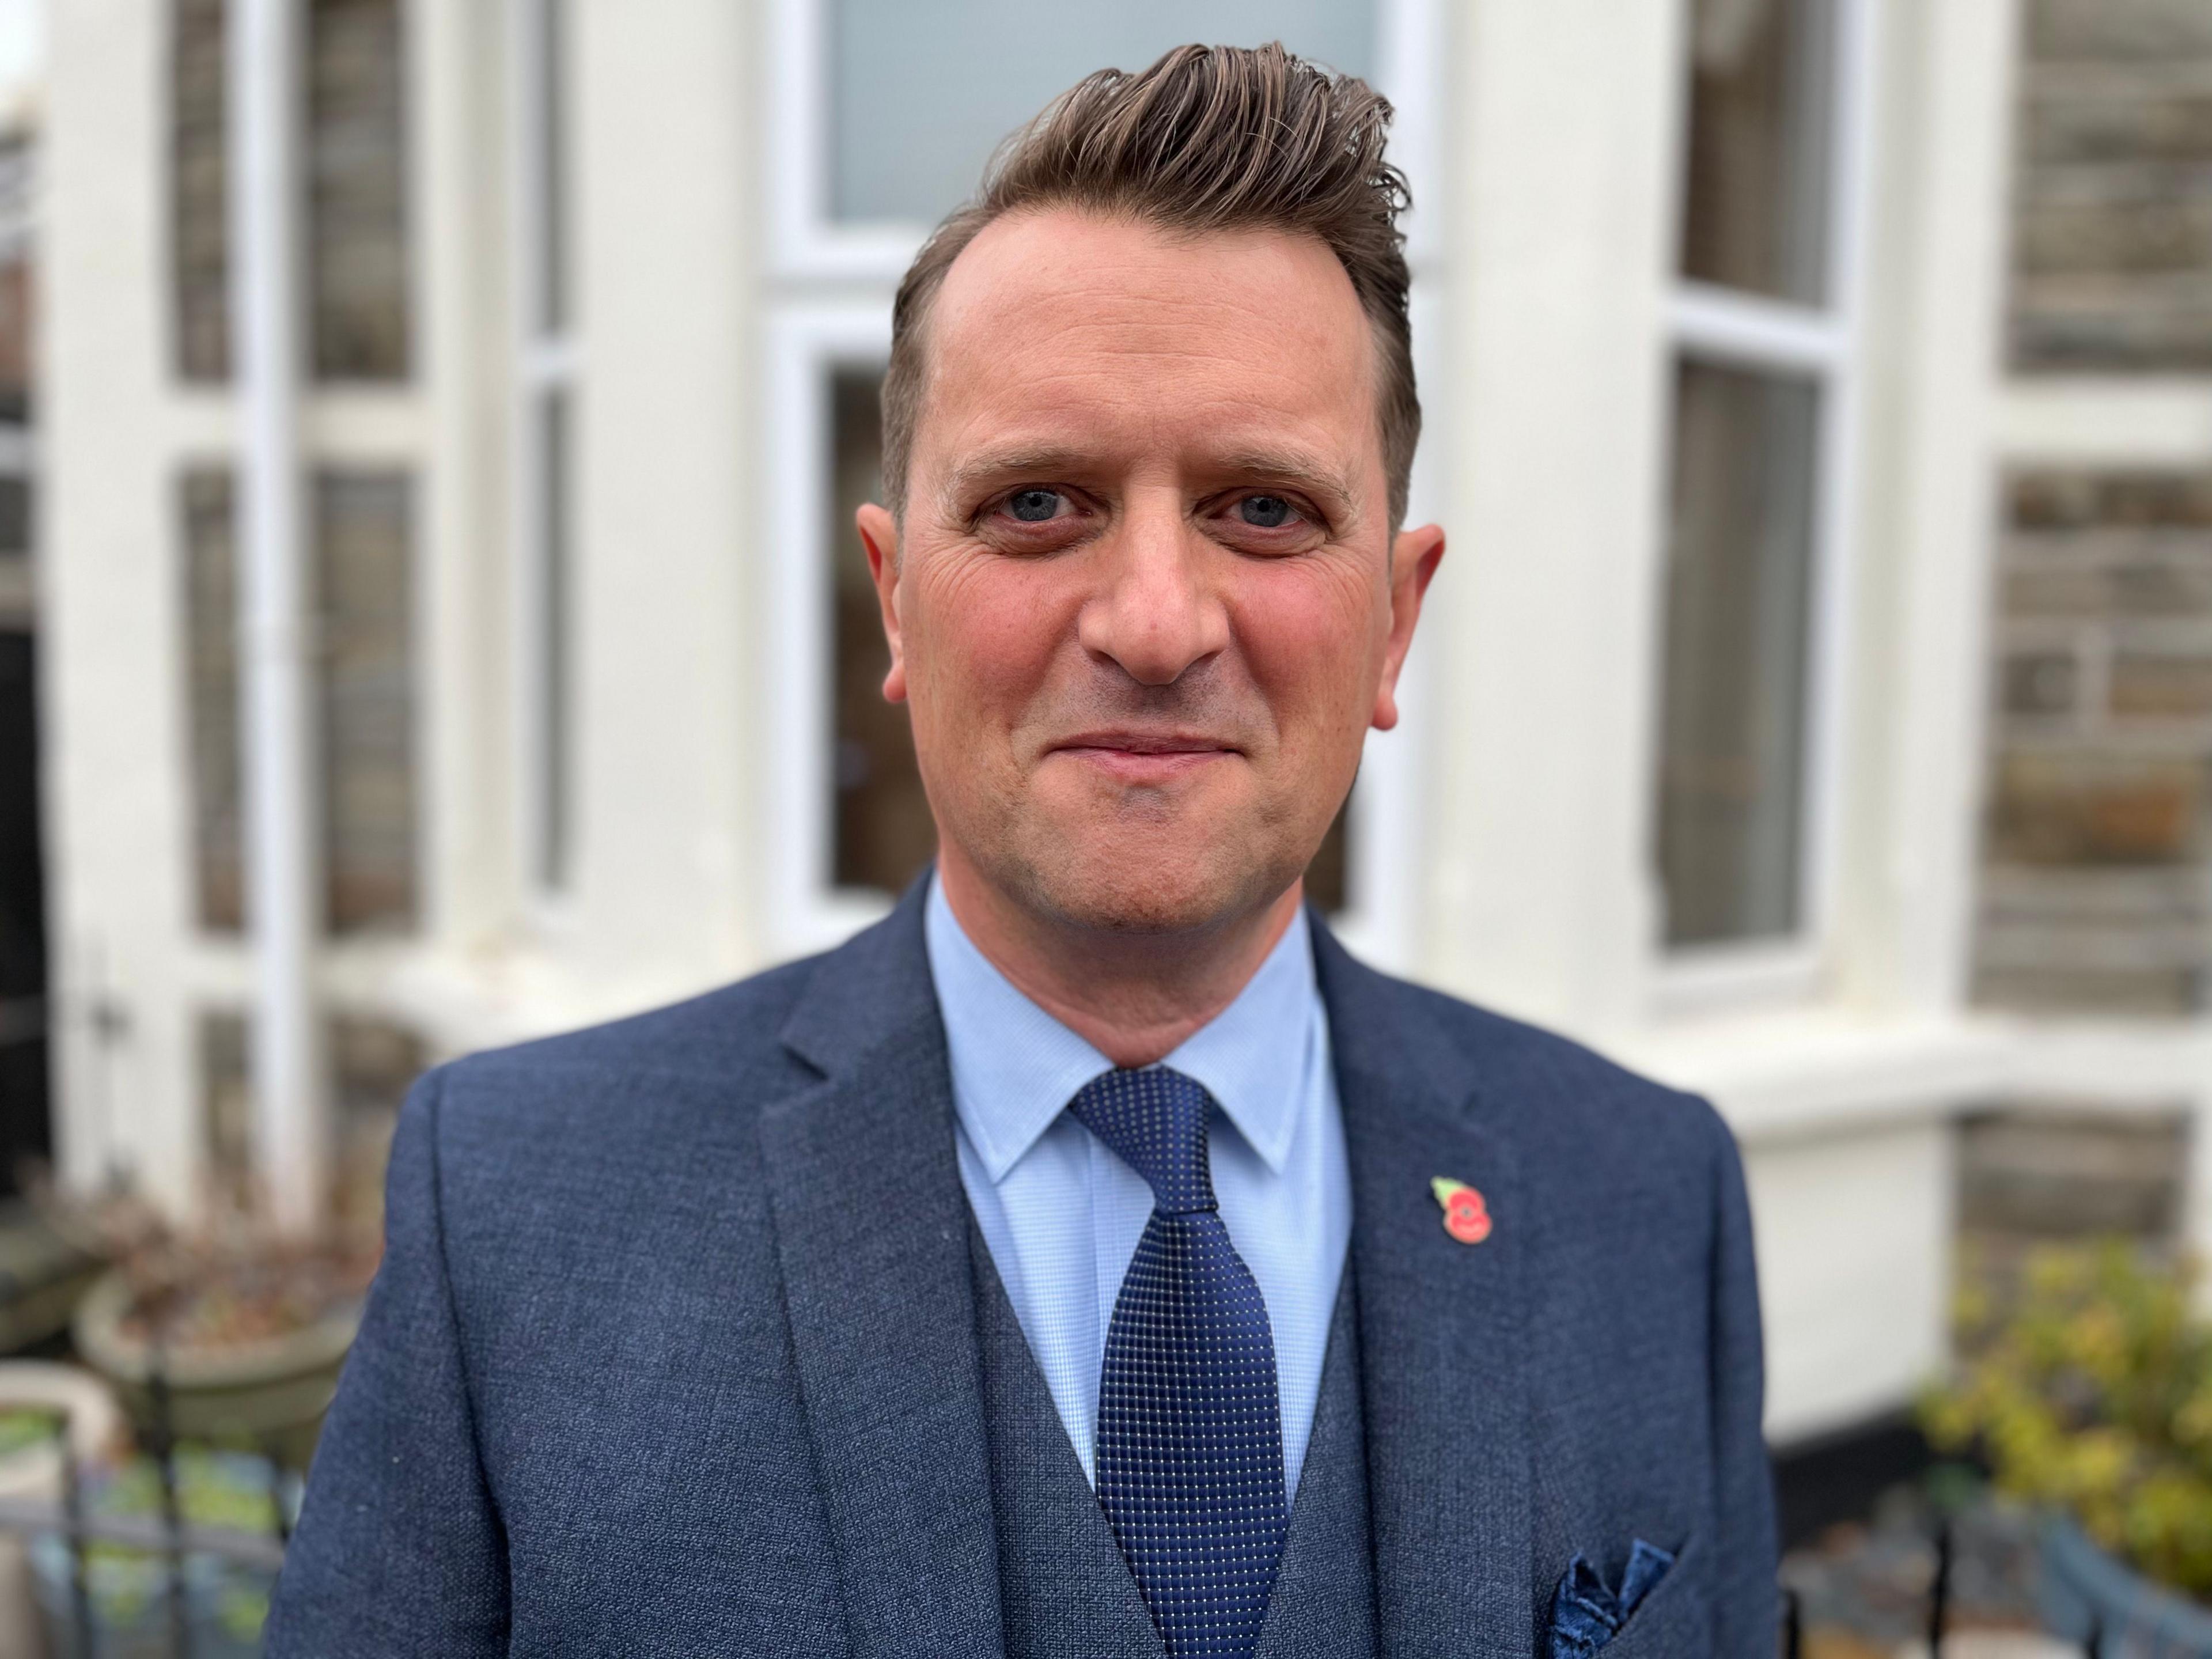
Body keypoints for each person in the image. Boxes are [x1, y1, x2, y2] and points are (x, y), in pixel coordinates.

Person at [267, 43, 1775, 1659]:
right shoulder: (517, 1213)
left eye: (1263, 510)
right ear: (896, 596)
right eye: (1042, 503)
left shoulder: (1642, 1196)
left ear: (1394, 621)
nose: (1153, 623)